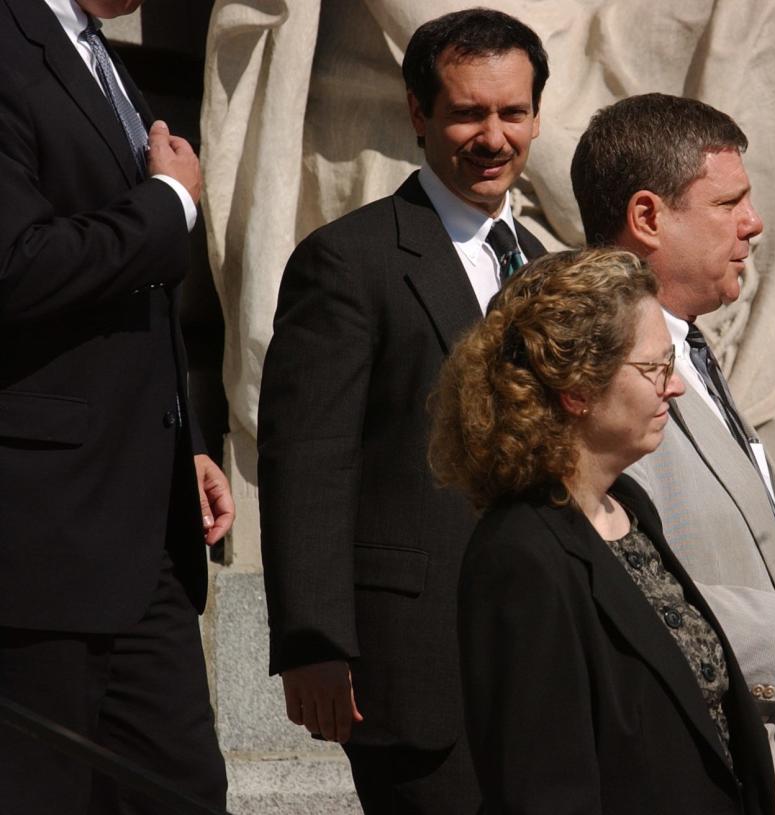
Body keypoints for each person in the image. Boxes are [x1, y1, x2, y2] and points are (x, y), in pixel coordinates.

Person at [257, 8, 547, 813]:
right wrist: (314, 642)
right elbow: (309, 456)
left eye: (512, 112)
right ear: (419, 113)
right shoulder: (349, 260)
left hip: (545, 653)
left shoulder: (552, 272)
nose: (493, 137)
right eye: (468, 112)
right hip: (416, 665)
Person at [571, 93, 775, 815]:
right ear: (648, 217)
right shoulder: (592, 367)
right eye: (728, 201)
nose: (753, 223)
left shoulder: (690, 347)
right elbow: (585, 583)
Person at [431, 247, 775, 815]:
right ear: (578, 388)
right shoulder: (521, 557)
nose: (676, 387)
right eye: (654, 367)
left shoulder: (629, 508)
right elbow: (543, 788)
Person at [0, 0, 235, 812]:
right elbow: (15, 266)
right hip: (38, 538)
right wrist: (169, 204)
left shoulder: (96, 56)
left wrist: (186, 440)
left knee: (182, 789)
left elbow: (135, 305)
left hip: (141, 531)